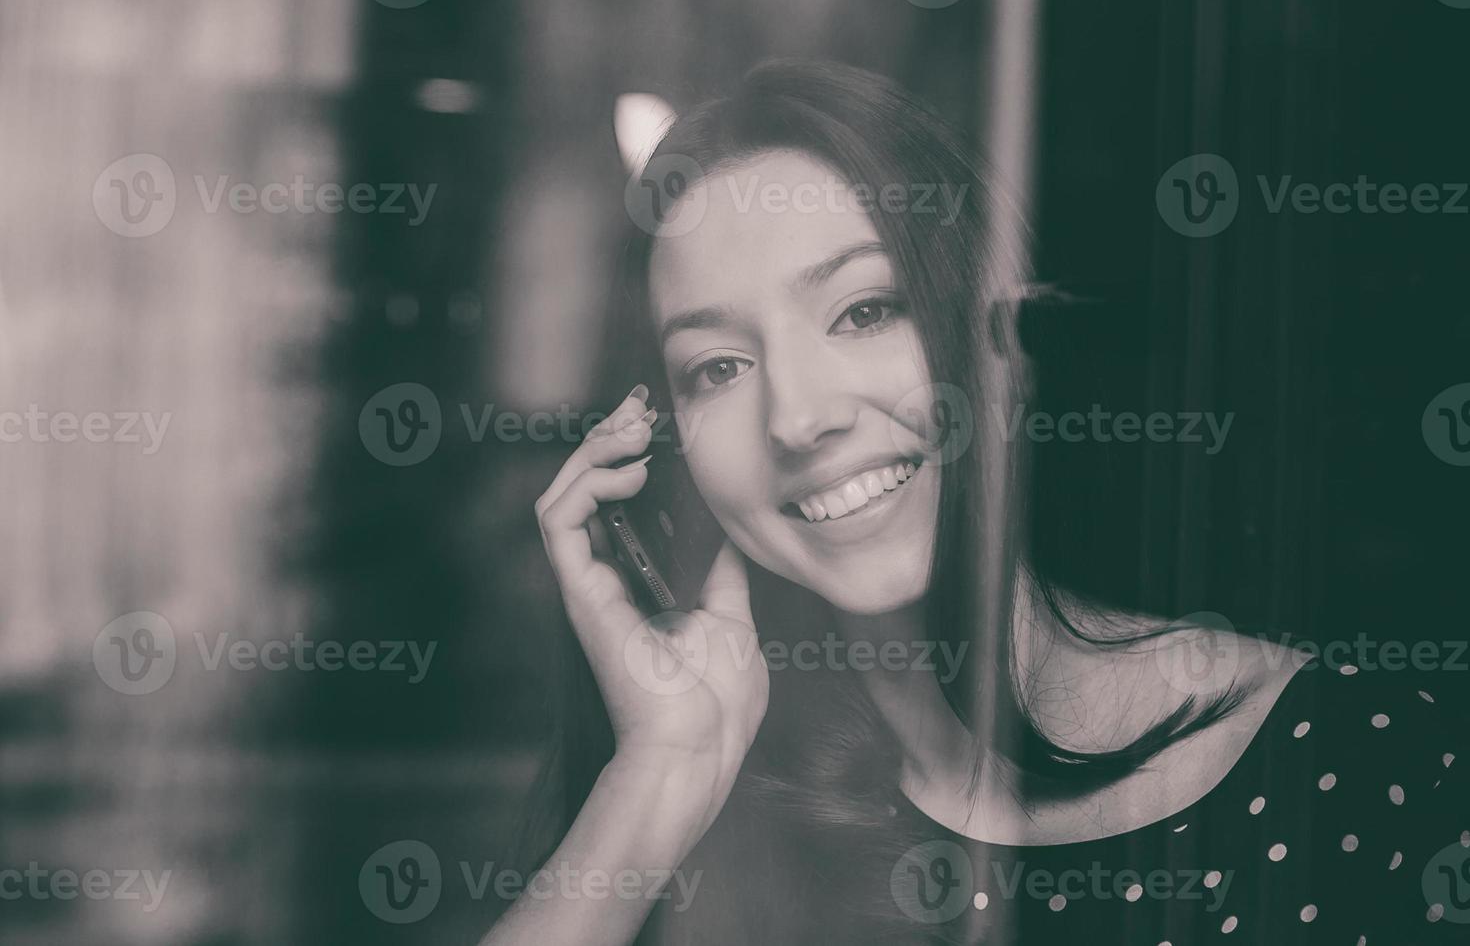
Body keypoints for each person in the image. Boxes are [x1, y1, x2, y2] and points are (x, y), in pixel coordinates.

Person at [486, 59, 1470, 945]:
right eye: (719, 367)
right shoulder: (704, 816)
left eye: (865, 310)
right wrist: (661, 768)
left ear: (1005, 347)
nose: (799, 415)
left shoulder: (1365, 763)